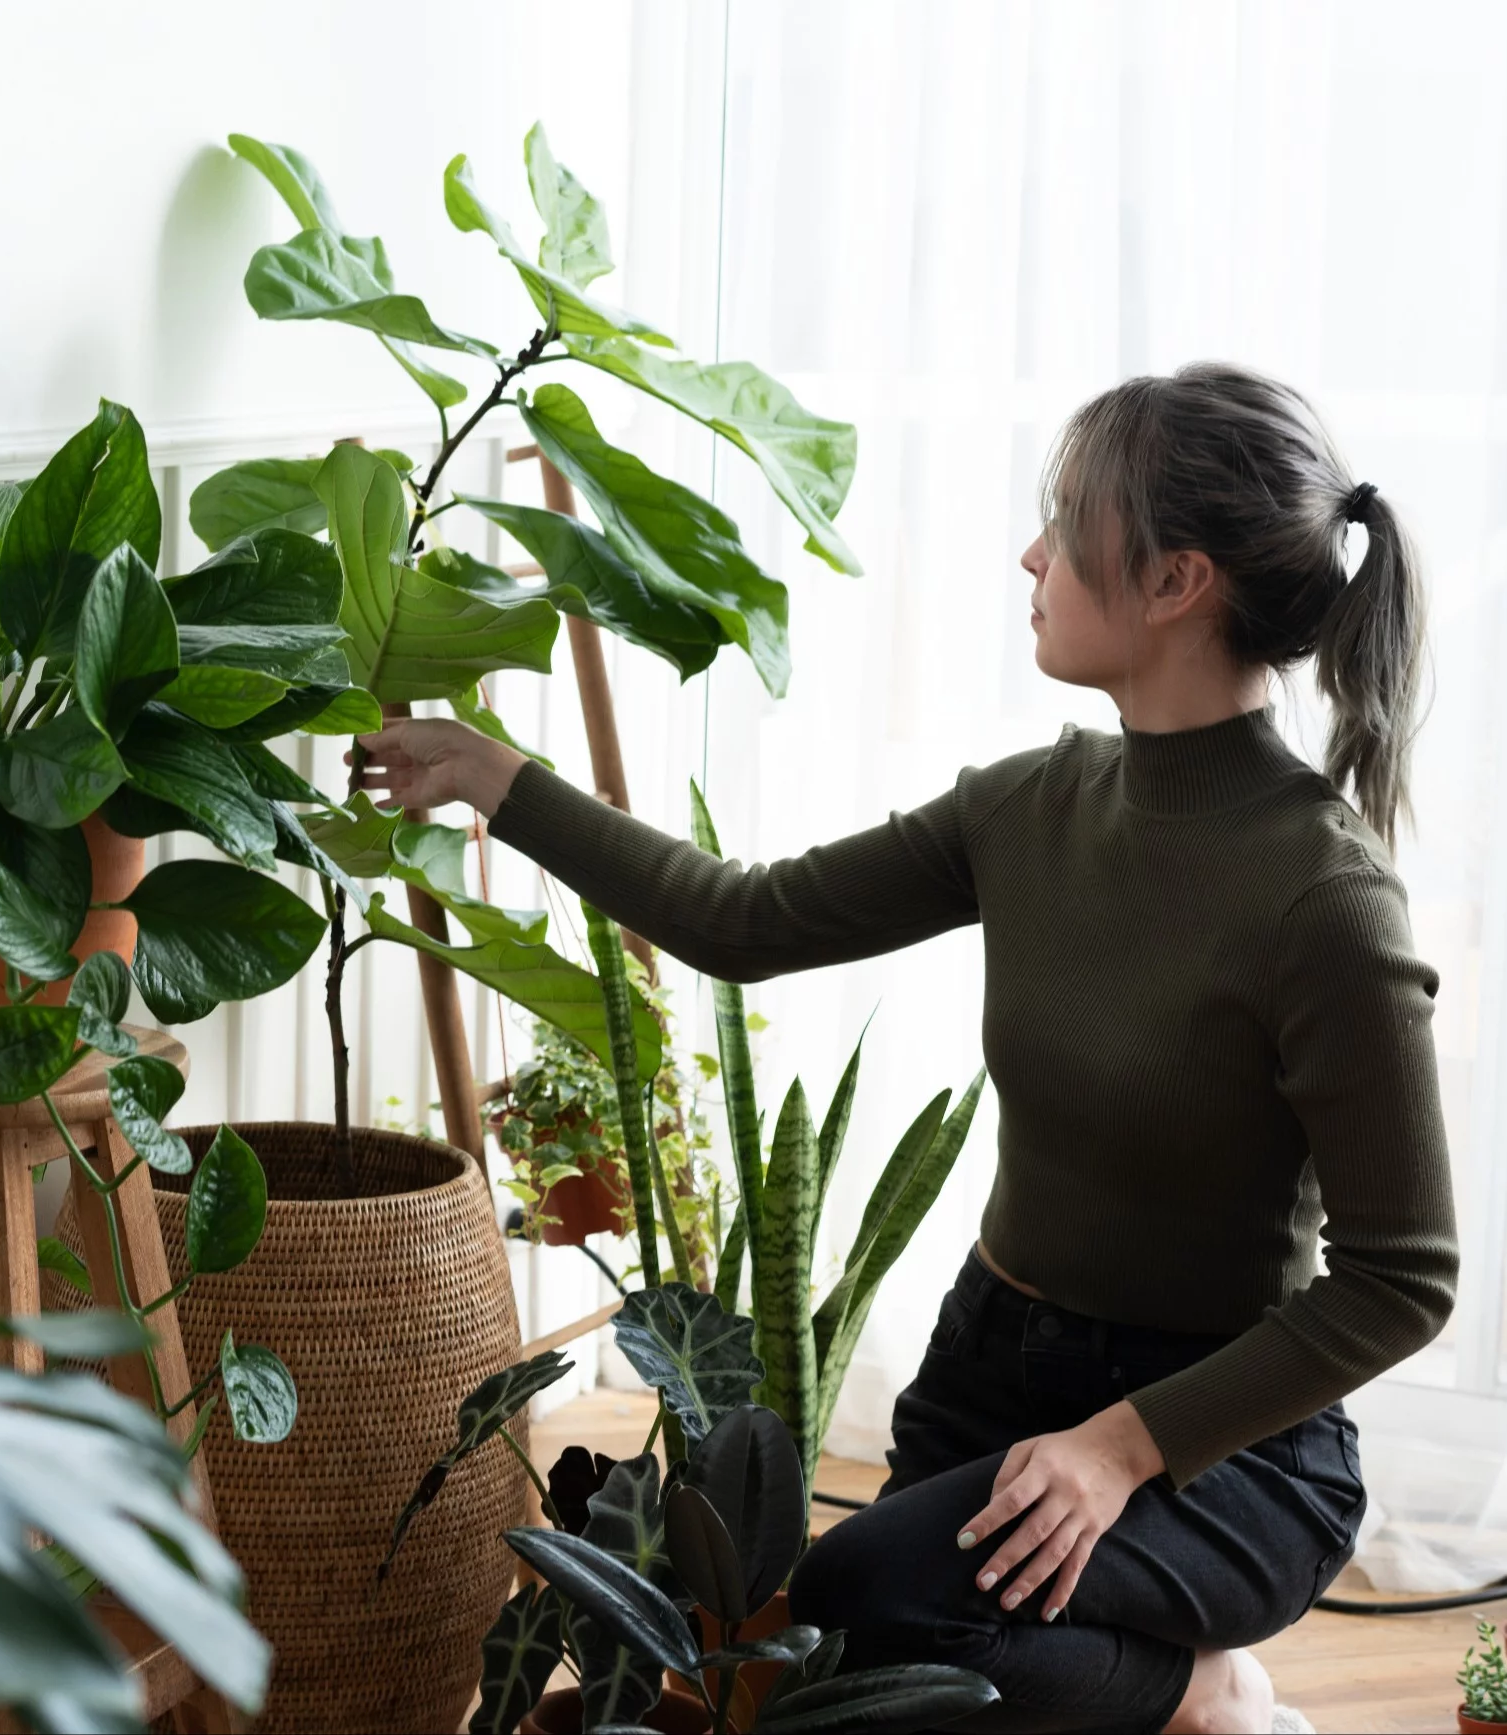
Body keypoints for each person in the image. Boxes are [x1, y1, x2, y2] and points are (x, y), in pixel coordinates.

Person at [350, 363, 1458, 1735]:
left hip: (1217, 1447)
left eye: (1068, 526)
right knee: (842, 1662)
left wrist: (1121, 1450)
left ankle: (1210, 1690)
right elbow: (744, 919)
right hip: (988, 1371)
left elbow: (1404, 1280)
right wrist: (492, 778)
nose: (1033, 556)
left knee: (876, 1613)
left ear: (1178, 582)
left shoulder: (1324, 901)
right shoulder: (1031, 807)